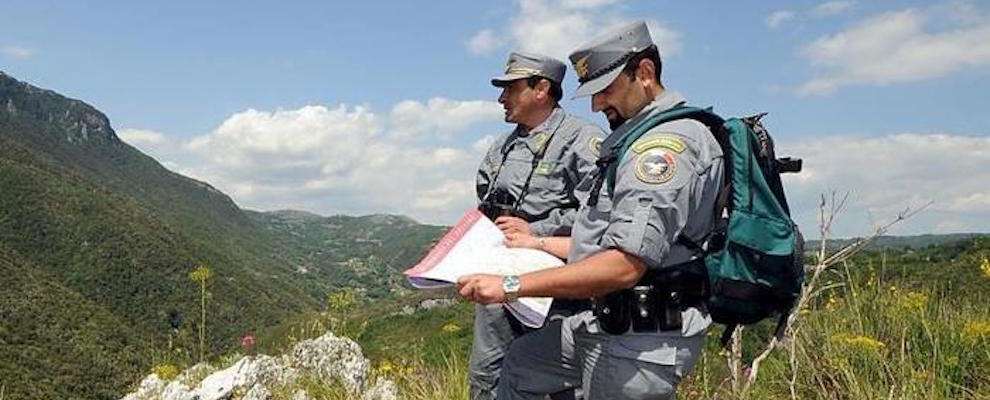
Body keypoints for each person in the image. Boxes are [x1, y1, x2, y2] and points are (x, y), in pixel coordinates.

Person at [458, 21, 724, 399]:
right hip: (604, 323)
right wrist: (538, 244)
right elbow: (599, 240)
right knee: (519, 366)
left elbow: (624, 264)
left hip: (640, 342)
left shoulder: (662, 148)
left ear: (645, 73)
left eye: (605, 89)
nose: (597, 104)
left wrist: (510, 287)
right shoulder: (629, 139)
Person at [471, 51, 605, 400]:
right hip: (500, 283)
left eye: (510, 89)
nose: (502, 98)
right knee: (488, 373)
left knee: (557, 384)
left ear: (541, 89)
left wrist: (538, 232)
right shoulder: (502, 147)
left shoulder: (581, 140)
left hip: (556, 288)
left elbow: (601, 216)